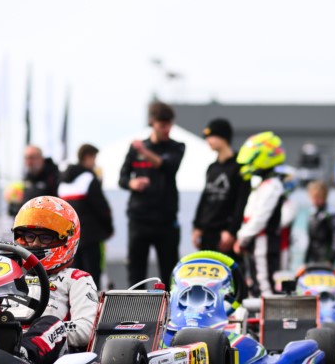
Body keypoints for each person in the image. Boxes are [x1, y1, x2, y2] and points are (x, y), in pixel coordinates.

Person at [12, 196, 99, 364]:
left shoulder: (76, 278)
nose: (35, 244)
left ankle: (22, 354)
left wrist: (43, 330)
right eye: (29, 236)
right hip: (2, 338)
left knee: (50, 323)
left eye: (45, 238)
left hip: (50, 357)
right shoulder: (11, 275)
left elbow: (86, 329)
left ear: (66, 240)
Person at [118, 100, 186, 286]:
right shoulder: (135, 149)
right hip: (139, 220)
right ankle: (136, 305)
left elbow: (168, 166)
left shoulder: (176, 147)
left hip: (166, 221)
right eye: (162, 125)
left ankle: (169, 305)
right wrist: (132, 183)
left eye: (169, 125)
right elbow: (122, 178)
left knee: (170, 273)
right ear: (152, 123)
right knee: (136, 272)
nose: (167, 129)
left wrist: (144, 151)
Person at [234, 131, 287, 296]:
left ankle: (270, 312)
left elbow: (260, 217)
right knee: (255, 283)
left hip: (264, 241)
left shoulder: (272, 185)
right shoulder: (264, 184)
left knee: (264, 283)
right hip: (255, 241)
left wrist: (242, 237)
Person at [60, 143, 114, 289]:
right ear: (88, 157)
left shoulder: (62, 181)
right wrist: (109, 229)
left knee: (74, 280)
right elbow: (102, 208)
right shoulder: (89, 178)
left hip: (70, 240)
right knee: (92, 279)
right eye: (94, 158)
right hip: (91, 238)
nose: (95, 163)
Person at [192, 118, 248, 255]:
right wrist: (197, 227)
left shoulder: (240, 167)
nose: (208, 140)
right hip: (207, 232)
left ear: (223, 137)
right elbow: (205, 198)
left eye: (211, 136)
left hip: (225, 234)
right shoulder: (212, 167)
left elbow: (242, 202)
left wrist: (232, 231)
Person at [8, 145, 59, 217]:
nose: (29, 162)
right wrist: (14, 206)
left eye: (31, 158)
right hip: (29, 221)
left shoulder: (55, 177)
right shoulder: (25, 180)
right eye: (26, 158)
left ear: (41, 158)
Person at [304, 180, 335, 265]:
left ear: (324, 196)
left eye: (318, 197)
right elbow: (310, 241)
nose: (315, 200)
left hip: (327, 259)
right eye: (313, 197)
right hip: (313, 259)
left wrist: (331, 260)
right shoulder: (311, 213)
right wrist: (305, 262)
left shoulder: (332, 213)